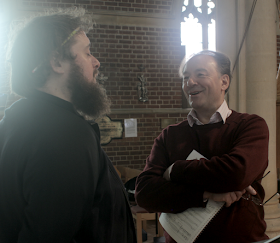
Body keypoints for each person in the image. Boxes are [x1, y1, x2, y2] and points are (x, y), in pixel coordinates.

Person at [0, 8, 136, 243]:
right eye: (87, 52)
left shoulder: (14, 121)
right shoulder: (66, 133)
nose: (96, 62)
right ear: (56, 62)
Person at [135, 50, 269, 243]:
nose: (189, 82)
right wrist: (206, 194)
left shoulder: (250, 126)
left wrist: (175, 170)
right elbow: (145, 193)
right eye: (186, 77)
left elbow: (236, 172)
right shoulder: (170, 135)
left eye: (200, 74)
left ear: (224, 82)